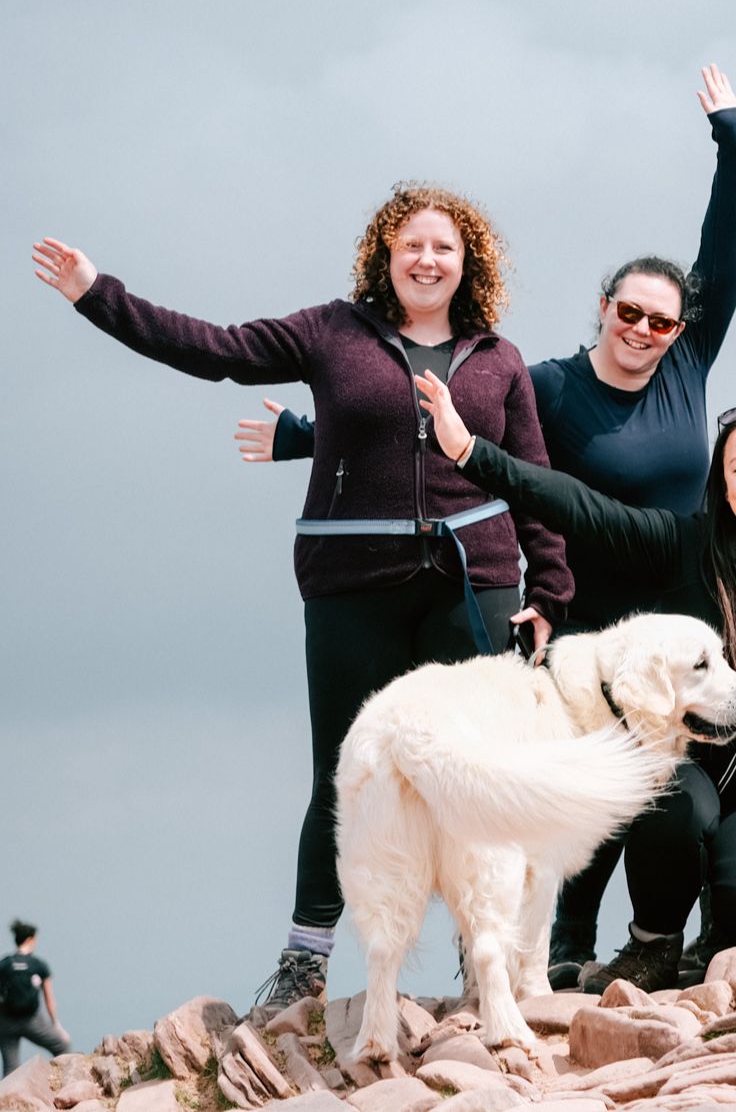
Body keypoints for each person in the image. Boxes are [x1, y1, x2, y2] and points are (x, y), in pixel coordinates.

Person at [229, 67, 736, 984]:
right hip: (576, 614)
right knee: (556, 785)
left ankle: (653, 945)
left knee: (665, 796)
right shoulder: (548, 381)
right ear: (603, 308)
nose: (643, 327)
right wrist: (302, 438)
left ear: (680, 329)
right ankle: (543, 955)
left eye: (660, 319)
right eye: (627, 310)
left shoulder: (687, 363)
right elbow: (447, 432)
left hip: (673, 615)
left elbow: (727, 252)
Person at [31, 185, 573, 1008]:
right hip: (354, 586)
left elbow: (533, 484)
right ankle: (305, 958)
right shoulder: (332, 333)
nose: (427, 260)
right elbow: (212, 348)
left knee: (474, 776)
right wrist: (96, 294)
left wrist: (550, 593)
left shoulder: (498, 358)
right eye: (411, 246)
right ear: (384, 256)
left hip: (474, 584)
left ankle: (483, 953)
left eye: (444, 249)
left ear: (469, 264)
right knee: (342, 775)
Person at [415, 370, 736, 991]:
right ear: (724, 487)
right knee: (671, 798)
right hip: (681, 771)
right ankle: (653, 941)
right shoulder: (686, 547)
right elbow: (580, 506)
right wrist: (470, 452)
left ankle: (721, 916)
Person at [1, 921, 67, 1076]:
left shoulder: (4, 964)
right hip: (32, 1020)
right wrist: (56, 1025)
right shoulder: (38, 965)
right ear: (30, 940)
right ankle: (63, 1084)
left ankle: (6, 1099)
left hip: (6, 1022)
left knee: (10, 1069)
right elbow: (49, 999)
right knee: (62, 1047)